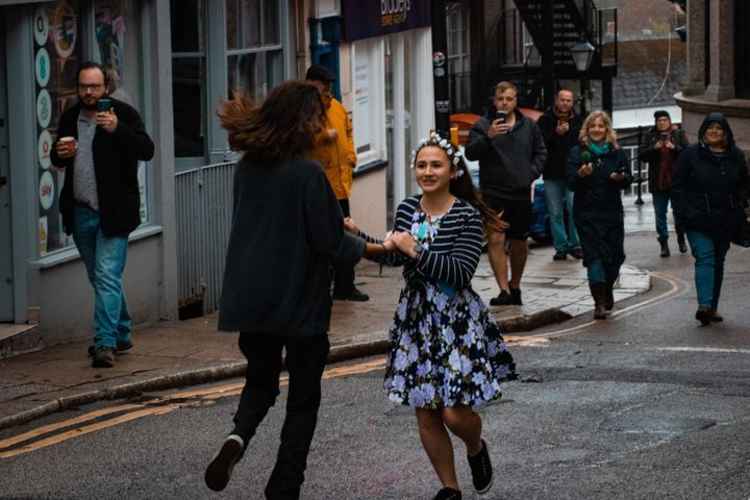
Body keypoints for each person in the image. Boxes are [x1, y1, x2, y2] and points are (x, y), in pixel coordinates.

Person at [203, 81, 388, 499]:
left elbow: (271, 221)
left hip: (252, 296)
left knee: (260, 381)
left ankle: (237, 438)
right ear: (303, 121)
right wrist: (379, 248)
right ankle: (285, 484)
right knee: (303, 399)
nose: (323, 127)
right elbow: (331, 243)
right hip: (299, 300)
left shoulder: (248, 166)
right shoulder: (308, 173)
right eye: (318, 119)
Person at [346, 132, 516, 500]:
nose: (427, 171)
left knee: (455, 414)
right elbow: (393, 255)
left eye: (435, 164)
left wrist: (416, 250)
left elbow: (460, 272)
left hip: (456, 322)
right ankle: (449, 488)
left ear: (453, 171)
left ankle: (475, 446)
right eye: (421, 165)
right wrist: (357, 236)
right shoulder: (408, 209)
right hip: (416, 322)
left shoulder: (467, 216)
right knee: (427, 412)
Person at [50, 61, 154, 368]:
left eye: (94, 86)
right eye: (83, 86)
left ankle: (105, 343)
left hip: (115, 213)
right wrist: (60, 153)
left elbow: (147, 150)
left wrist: (117, 129)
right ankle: (121, 332)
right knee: (100, 277)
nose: (88, 92)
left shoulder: (124, 115)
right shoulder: (70, 117)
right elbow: (58, 156)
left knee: (107, 275)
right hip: (81, 210)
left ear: (105, 88)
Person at [466, 81, 547, 306]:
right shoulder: (483, 125)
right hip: (493, 191)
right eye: (501, 99)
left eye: (509, 99)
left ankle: (515, 285)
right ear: (495, 101)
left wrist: (529, 173)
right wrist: (489, 136)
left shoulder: (529, 126)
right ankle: (503, 290)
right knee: (496, 238)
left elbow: (541, 152)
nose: (505, 103)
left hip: (520, 191)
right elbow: (471, 153)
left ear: (515, 101)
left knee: (520, 241)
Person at [672, 112, 749, 326]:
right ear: (703, 131)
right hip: (697, 218)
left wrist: (741, 203)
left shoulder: (736, 156)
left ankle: (712, 307)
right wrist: (683, 213)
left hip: (725, 218)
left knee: (718, 261)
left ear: (725, 133)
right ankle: (704, 306)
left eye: (718, 128)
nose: (713, 132)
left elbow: (744, 184)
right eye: (709, 128)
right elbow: (677, 186)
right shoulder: (690, 155)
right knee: (705, 257)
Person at [305, 64, 368, 302]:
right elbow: (301, 139)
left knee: (344, 234)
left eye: (330, 88)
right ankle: (321, 286)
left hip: (340, 185)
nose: (329, 93)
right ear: (311, 86)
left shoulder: (338, 108)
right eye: (324, 88)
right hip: (319, 186)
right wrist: (323, 136)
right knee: (320, 238)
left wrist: (351, 156)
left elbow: (348, 132)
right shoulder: (306, 112)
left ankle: (345, 285)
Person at [567, 111, 631, 320]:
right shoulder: (578, 152)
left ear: (607, 129)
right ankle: (599, 303)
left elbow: (628, 179)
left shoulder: (617, 152)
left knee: (616, 257)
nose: (596, 129)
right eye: (592, 126)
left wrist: (619, 178)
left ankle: (607, 289)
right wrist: (580, 175)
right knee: (594, 257)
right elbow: (570, 182)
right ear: (587, 129)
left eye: (601, 126)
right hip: (586, 212)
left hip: (612, 212)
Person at [537, 89, 584, 261]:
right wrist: (556, 134)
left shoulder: (578, 120)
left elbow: (581, 144)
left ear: (572, 103)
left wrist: (569, 133)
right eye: (562, 100)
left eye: (569, 100)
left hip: (572, 172)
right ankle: (561, 247)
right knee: (555, 211)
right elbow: (539, 144)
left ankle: (576, 244)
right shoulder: (545, 120)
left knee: (574, 209)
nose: (565, 103)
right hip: (552, 172)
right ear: (556, 100)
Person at [638, 110, 689, 257]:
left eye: (665, 120)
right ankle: (664, 244)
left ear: (669, 121)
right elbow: (642, 156)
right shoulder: (650, 136)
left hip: (677, 181)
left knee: (679, 213)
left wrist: (675, 148)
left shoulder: (678, 134)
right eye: (659, 120)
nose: (662, 123)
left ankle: (681, 239)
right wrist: (654, 148)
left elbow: (689, 153)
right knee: (660, 214)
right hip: (658, 182)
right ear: (655, 122)